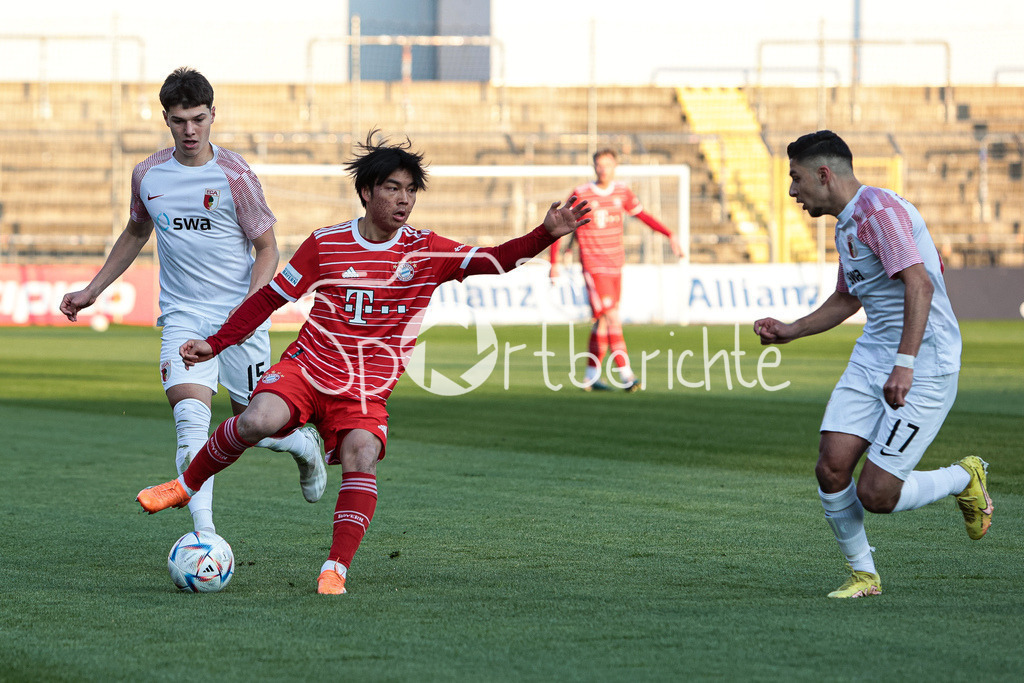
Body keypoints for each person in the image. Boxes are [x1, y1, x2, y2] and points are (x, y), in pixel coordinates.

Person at [135, 131, 591, 595]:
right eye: (393, 188)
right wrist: (216, 343)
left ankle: (335, 568)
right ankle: (186, 485)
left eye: (411, 191)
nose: (404, 200)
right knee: (256, 419)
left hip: (365, 388)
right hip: (308, 368)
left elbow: (495, 259)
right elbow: (270, 298)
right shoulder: (326, 244)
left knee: (362, 455)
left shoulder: (426, 251)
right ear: (367, 191)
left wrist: (546, 233)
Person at [61, 67, 325, 536]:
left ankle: (302, 445)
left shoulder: (235, 175)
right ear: (166, 119)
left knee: (256, 424)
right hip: (183, 317)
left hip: (238, 320)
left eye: (199, 119)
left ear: (212, 115)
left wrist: (247, 314)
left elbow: (268, 249)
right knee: (190, 424)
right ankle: (204, 536)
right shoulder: (148, 174)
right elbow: (136, 232)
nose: (190, 131)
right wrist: (91, 290)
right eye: (180, 120)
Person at [753, 130, 993, 598]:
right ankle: (864, 575)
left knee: (877, 494)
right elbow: (848, 297)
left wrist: (905, 364)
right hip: (873, 356)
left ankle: (965, 476)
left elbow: (918, 285)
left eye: (796, 178)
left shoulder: (879, 213)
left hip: (924, 361)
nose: (792, 191)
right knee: (831, 467)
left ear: (824, 174)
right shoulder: (848, 222)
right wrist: (791, 329)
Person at [549, 148, 683, 391]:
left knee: (602, 321)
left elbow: (643, 216)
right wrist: (554, 262)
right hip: (594, 266)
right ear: (594, 167)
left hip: (615, 265)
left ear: (615, 167)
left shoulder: (622, 192)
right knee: (612, 317)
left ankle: (590, 378)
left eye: (608, 165)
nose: (603, 169)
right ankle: (627, 375)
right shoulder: (581, 193)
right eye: (599, 165)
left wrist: (669, 234)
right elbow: (559, 226)